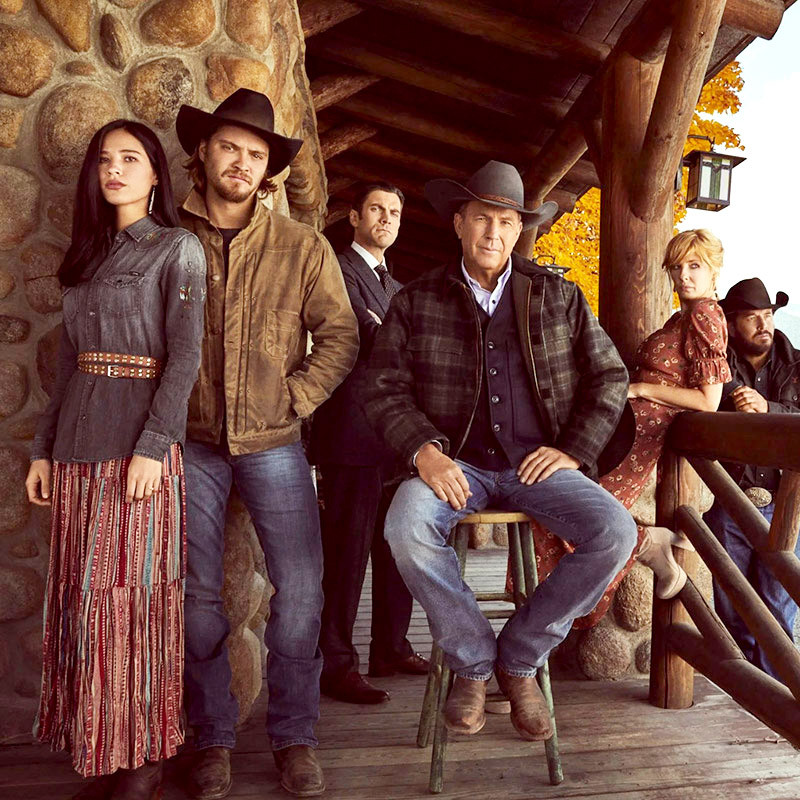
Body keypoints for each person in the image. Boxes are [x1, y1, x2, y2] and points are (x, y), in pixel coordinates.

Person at [363, 160, 640, 743]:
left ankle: (519, 656)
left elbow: (610, 377)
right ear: (459, 223)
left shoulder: (558, 296)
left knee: (615, 530)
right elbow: (381, 386)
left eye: (507, 223)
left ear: (520, 232)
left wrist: (572, 449)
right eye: (482, 219)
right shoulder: (416, 300)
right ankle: (472, 661)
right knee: (405, 526)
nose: (494, 233)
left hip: (535, 467)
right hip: (452, 464)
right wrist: (423, 451)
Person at [175, 89, 359, 799]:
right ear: (203, 152)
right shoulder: (169, 237)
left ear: (270, 170)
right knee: (196, 598)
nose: (241, 163)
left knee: (303, 592)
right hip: (189, 441)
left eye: (256, 154)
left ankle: (294, 736)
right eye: (230, 147)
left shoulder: (301, 246)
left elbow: (340, 336)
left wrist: (297, 396)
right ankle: (212, 738)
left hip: (275, 440)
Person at [25, 119, 206, 800]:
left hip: (138, 457)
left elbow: (184, 356)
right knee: (85, 606)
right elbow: (70, 365)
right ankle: (101, 752)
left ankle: (147, 758)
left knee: (135, 607)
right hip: (77, 451)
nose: (115, 169)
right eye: (105, 159)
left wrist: (154, 448)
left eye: (131, 158)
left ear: (157, 173)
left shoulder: (177, 249)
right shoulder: (89, 254)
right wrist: (43, 449)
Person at [522, 228, 733, 621]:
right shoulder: (683, 315)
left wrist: (639, 388)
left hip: (639, 438)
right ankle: (551, 619)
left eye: (694, 266)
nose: (684, 276)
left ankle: (643, 547)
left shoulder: (706, 315)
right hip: (623, 432)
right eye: (677, 267)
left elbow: (709, 400)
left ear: (714, 270)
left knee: (579, 513)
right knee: (563, 507)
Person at [311, 182, 428, 706]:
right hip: (350, 437)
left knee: (394, 545)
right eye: (377, 209)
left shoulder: (398, 288)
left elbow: (407, 349)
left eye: (394, 211)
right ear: (355, 215)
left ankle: (391, 646)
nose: (386, 217)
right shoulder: (336, 269)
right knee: (346, 554)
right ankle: (336, 664)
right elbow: (368, 340)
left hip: (394, 440)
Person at [705, 277, 800, 681]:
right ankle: (745, 693)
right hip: (731, 499)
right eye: (751, 317)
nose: (763, 325)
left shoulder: (798, 366)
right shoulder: (715, 366)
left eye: (767, 316)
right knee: (733, 602)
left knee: (779, 602)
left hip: (787, 502)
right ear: (730, 322)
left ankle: (781, 697)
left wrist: (770, 408)